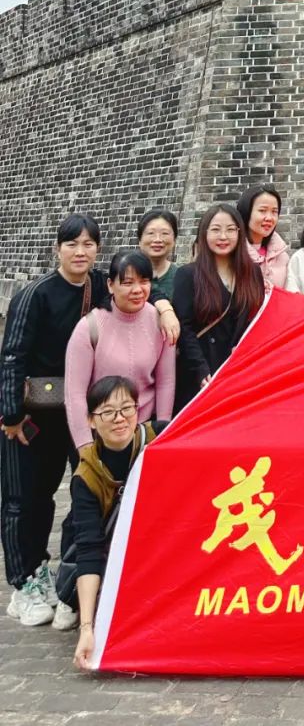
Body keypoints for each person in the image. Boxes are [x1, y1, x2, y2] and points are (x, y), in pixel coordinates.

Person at [1, 214, 177, 628]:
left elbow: (141, 286)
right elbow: (12, 355)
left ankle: (62, 577)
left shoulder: (98, 284)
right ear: (57, 249)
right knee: (26, 498)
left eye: (88, 244)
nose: (80, 252)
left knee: (82, 498)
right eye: (71, 244)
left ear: (97, 250)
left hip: (82, 414)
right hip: (34, 414)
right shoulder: (35, 294)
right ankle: (24, 582)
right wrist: (10, 414)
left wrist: (166, 308)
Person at [57, 376, 159, 664]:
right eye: (107, 412)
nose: (119, 419)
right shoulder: (86, 476)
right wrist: (87, 629)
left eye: (127, 408)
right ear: (91, 420)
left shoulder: (160, 437)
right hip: (108, 551)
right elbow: (89, 549)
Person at [64, 250, 175, 450]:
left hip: (144, 433)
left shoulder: (162, 323)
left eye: (144, 281)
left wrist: (161, 432)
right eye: (127, 283)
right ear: (110, 285)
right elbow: (74, 394)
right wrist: (85, 447)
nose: (137, 290)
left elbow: (165, 382)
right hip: (101, 434)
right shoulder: (90, 327)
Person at [172, 204, 264, 411]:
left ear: (240, 233)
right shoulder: (188, 274)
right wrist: (200, 369)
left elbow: (255, 320)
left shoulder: (253, 274)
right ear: (204, 233)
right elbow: (184, 328)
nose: (223, 236)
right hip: (199, 374)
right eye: (215, 229)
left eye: (230, 229)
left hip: (235, 372)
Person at [237, 184, 290, 292]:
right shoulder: (232, 253)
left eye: (274, 212)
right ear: (246, 212)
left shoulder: (282, 257)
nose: (269, 218)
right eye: (262, 210)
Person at [135, 209, 180, 300]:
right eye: (151, 233)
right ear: (140, 240)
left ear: (174, 240)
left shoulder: (181, 277)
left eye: (165, 233)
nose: (158, 239)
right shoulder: (126, 274)